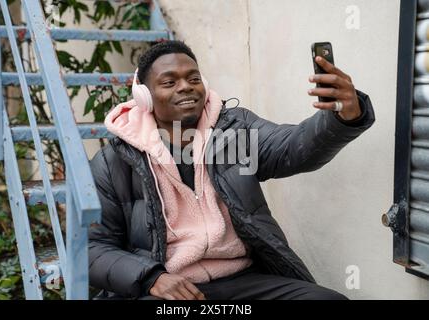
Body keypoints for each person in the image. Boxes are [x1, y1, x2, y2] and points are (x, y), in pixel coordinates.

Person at [88, 40, 375, 300]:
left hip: (244, 279)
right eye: (169, 82)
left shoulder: (236, 130)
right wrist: (152, 277)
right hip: (168, 290)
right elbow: (92, 249)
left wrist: (343, 116)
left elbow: (293, 148)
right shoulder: (113, 161)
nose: (185, 86)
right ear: (144, 97)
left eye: (193, 78)